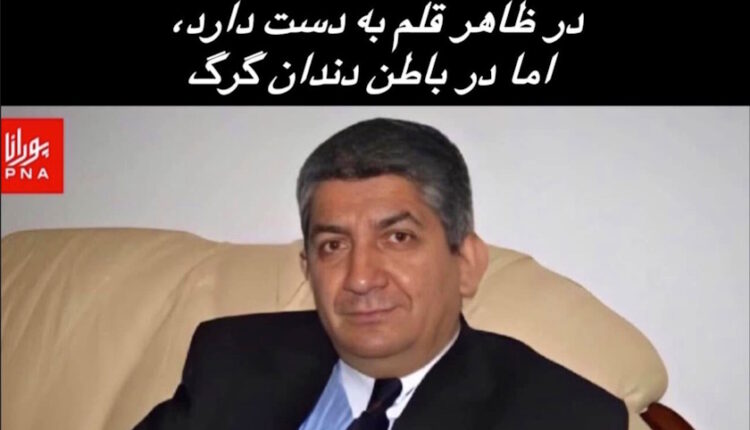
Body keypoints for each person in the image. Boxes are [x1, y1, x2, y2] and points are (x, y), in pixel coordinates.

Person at [134, 118, 628, 429]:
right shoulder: (231, 361)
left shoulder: (562, 416)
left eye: (398, 238)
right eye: (333, 246)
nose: (361, 277)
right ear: (308, 269)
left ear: (466, 263)